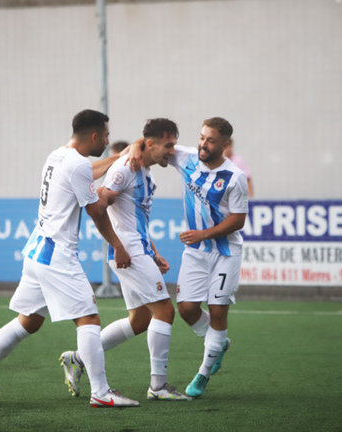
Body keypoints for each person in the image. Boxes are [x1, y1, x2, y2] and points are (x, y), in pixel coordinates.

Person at [0, 109, 139, 408]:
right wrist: (118, 245)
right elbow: (95, 210)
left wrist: (119, 157)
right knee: (89, 317)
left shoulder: (58, 155)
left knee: (29, 320)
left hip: (36, 251)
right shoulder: (78, 164)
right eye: (106, 136)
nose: (107, 141)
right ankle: (101, 392)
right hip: (57, 255)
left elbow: (88, 171)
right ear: (94, 135)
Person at [59, 118, 190, 401]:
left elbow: (136, 220)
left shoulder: (147, 174)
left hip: (137, 251)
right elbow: (100, 204)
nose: (172, 151)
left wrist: (153, 252)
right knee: (165, 312)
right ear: (150, 144)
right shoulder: (125, 168)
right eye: (168, 145)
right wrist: (118, 245)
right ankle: (158, 387)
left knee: (140, 319)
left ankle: (78, 358)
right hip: (129, 253)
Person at [165, 117, 248, 398]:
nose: (203, 144)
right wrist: (133, 151)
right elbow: (155, 144)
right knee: (186, 309)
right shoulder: (187, 159)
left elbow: (238, 220)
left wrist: (204, 233)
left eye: (210, 140)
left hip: (226, 253)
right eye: (202, 137)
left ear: (224, 145)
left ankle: (203, 373)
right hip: (196, 253)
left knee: (216, 310)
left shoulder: (235, 178)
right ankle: (217, 343)